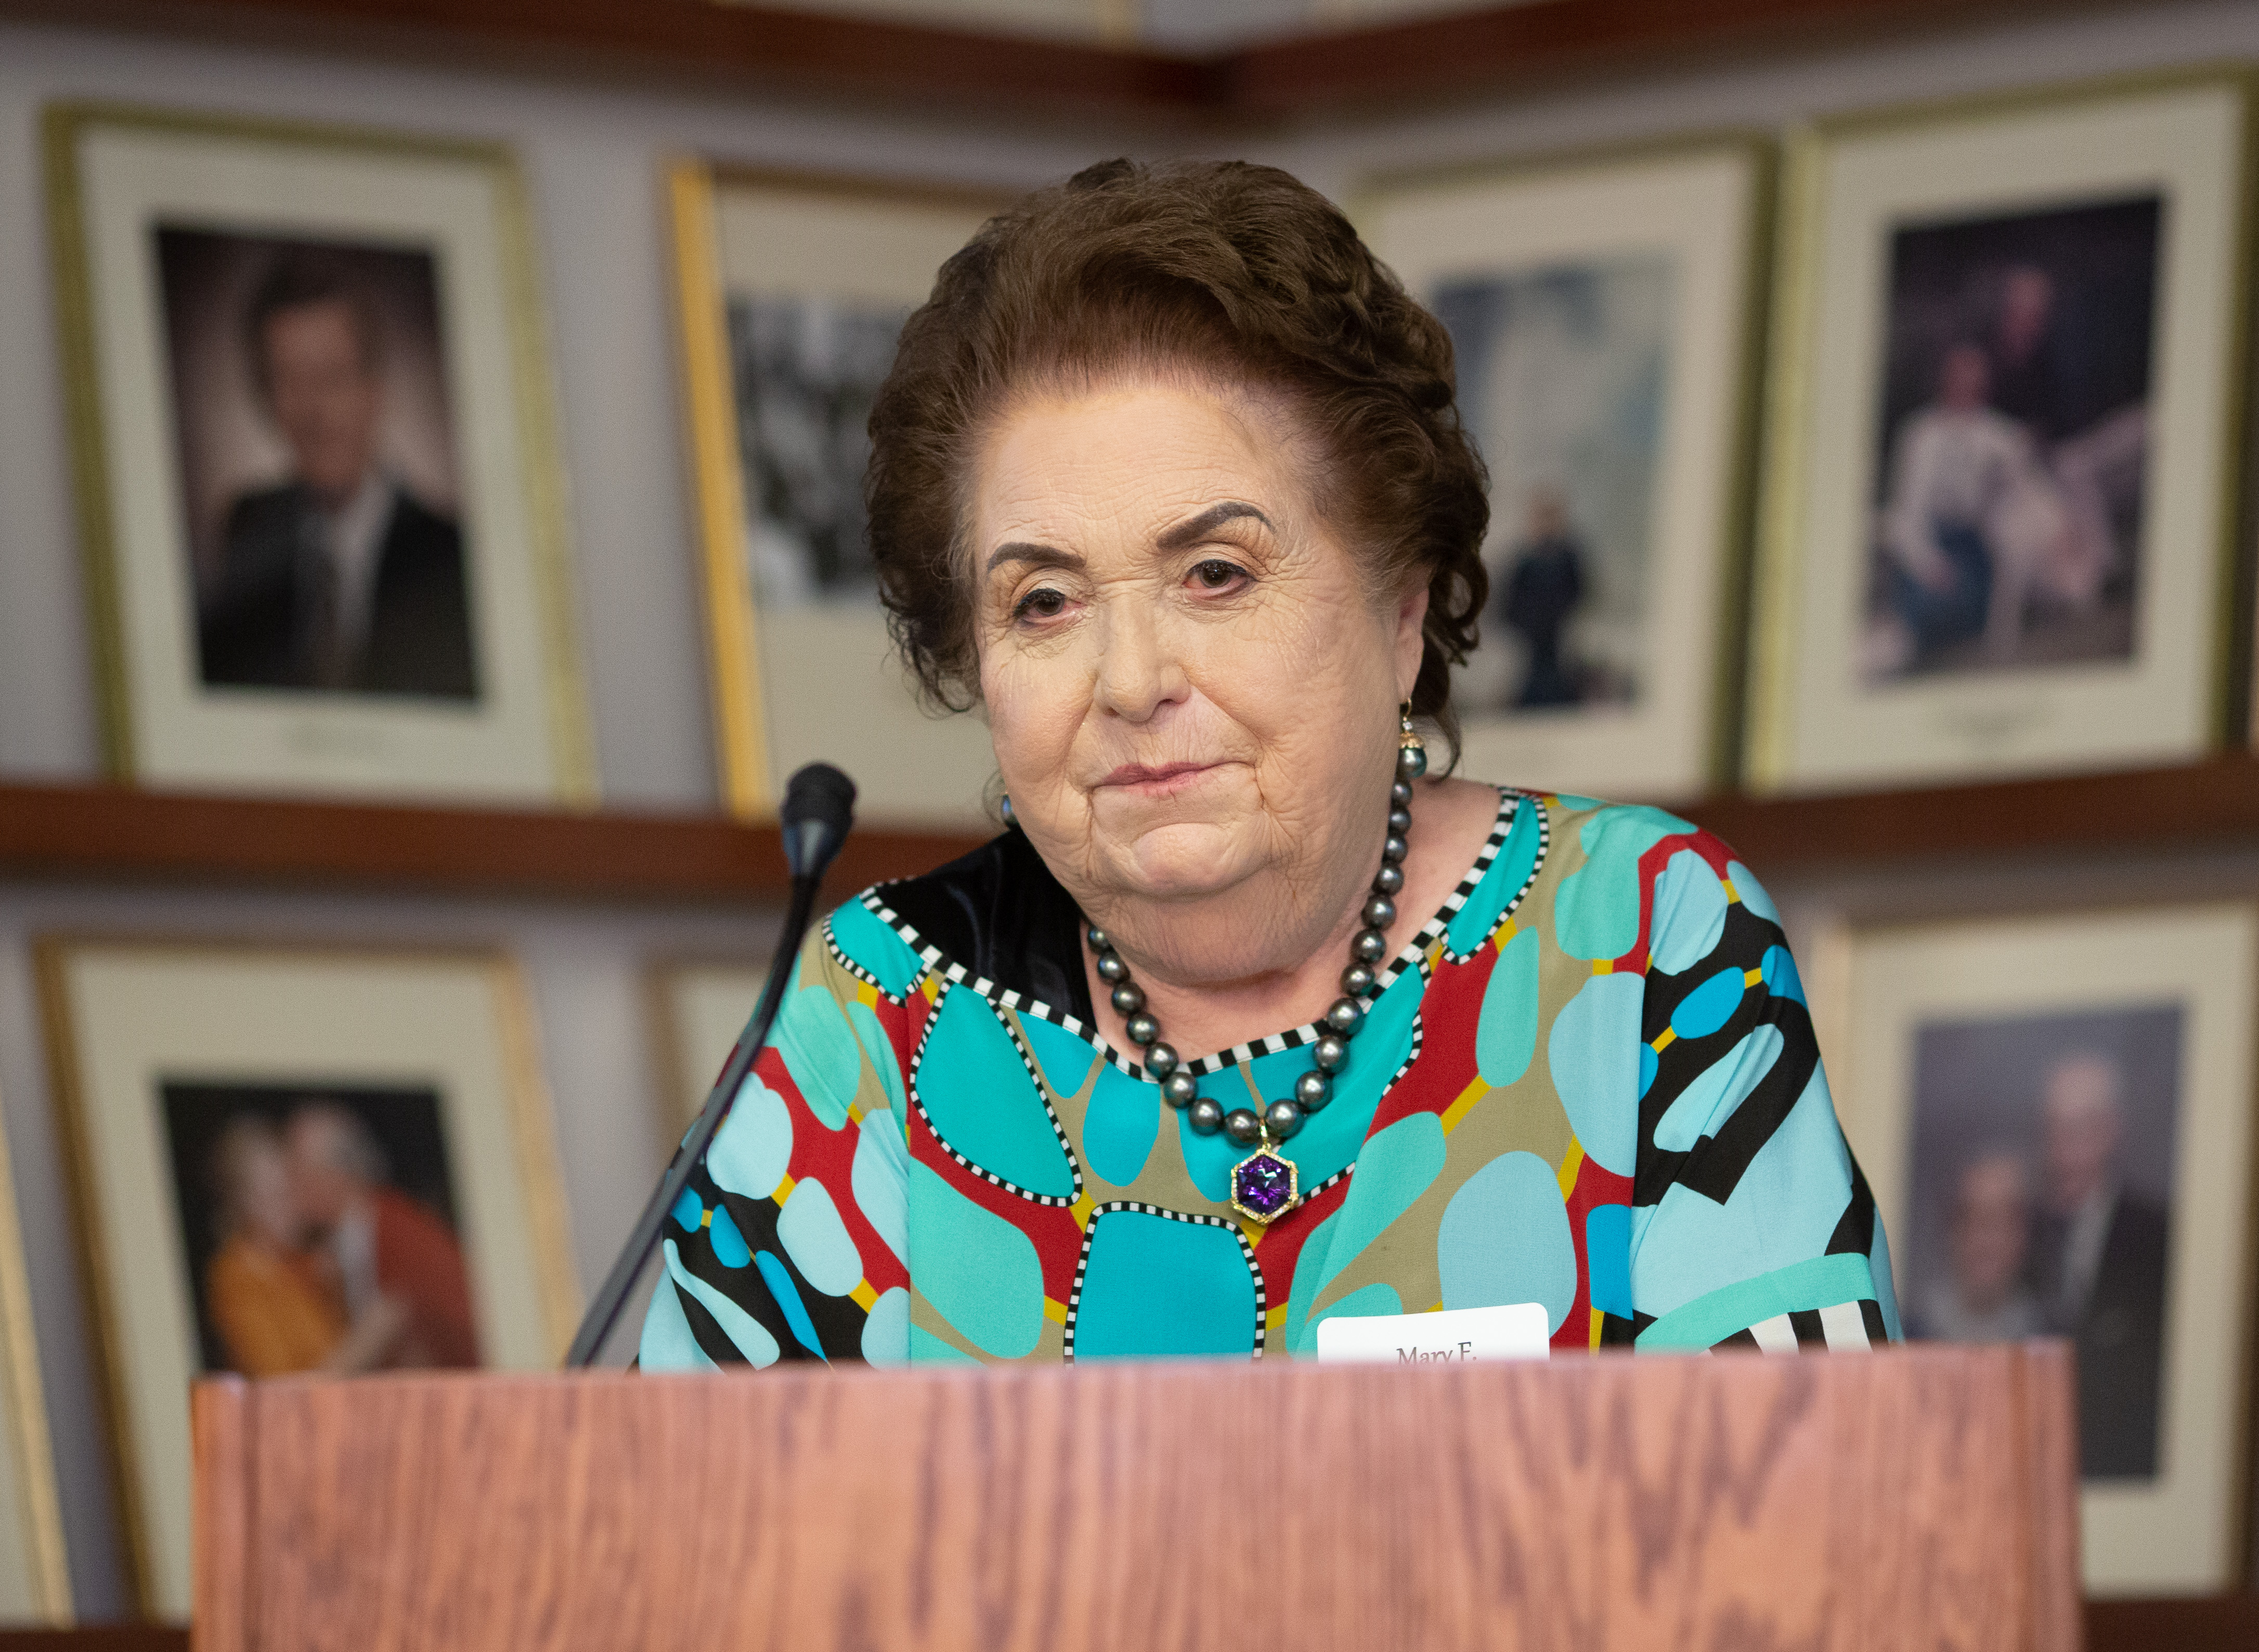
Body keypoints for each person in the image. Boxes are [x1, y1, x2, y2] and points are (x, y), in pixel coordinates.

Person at [640, 159, 1895, 1370]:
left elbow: (1808, 1526)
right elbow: (688, 1553)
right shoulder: (863, 1022)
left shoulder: (1644, 940)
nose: (1130, 679)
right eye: (1041, 601)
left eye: (1216, 573)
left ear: (1400, 608)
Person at [196, 253, 477, 698]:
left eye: (332, 376)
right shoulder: (247, 532)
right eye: (291, 381)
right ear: (266, 399)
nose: (316, 412)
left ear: (375, 387)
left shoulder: (450, 555)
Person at [2027, 1053, 2168, 1478]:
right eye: (2051, 1129)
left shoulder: (2155, 1236)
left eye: (2077, 1130)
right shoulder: (2024, 1234)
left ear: (2110, 1132)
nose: (2061, 1149)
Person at [201, 1116, 407, 1377]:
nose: (288, 1205)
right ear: (240, 1206)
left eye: (288, 1188)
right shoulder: (237, 1278)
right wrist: (371, 1335)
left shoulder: (311, 1259)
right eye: (270, 1194)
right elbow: (282, 1392)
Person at [285, 1103, 481, 1369]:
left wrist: (305, 1392)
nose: (291, 1185)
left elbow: (382, 1328)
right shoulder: (353, 1235)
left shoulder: (395, 1227)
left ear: (335, 1175)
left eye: (299, 1171)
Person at [1907, 1150, 2045, 1344]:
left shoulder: (2048, 1345)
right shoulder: (1910, 1341)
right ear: (1953, 1231)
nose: (1986, 1242)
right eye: (1974, 1221)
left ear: (2021, 1236)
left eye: (2000, 1224)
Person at [1494, 486, 1587, 709]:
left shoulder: (1568, 560)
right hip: (1532, 644)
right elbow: (1508, 603)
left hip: (1559, 642)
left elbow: (1580, 595)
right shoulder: (1525, 563)